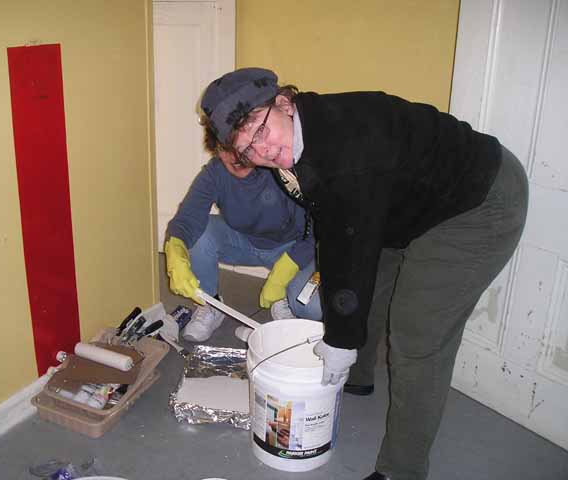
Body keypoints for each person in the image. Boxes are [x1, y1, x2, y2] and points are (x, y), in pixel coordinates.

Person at [198, 68, 528, 480]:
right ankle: (356, 374)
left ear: (284, 103)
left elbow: (348, 235)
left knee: (417, 334)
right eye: (247, 148)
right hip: (404, 202)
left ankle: (402, 470)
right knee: (367, 282)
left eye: (260, 130)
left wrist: (339, 338)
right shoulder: (295, 143)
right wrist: (343, 333)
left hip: (477, 202)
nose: (261, 150)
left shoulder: (347, 145)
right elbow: (336, 225)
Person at [164, 149, 321, 342]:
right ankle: (210, 304)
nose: (235, 156)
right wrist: (175, 251)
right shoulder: (216, 172)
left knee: (312, 306)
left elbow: (319, 227)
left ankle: (286, 301)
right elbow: (186, 220)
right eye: (226, 148)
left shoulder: (282, 167)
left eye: (242, 146)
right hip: (243, 242)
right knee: (198, 233)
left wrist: (287, 267)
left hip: (293, 247)